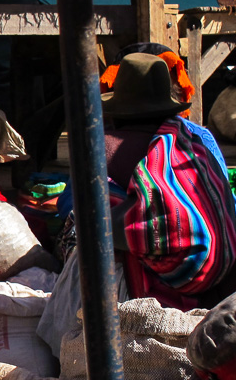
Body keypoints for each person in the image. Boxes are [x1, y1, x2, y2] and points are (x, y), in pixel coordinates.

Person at [101, 52, 236, 310]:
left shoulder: (106, 150)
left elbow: (92, 225)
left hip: (167, 288)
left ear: (116, 112)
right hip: (221, 276)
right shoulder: (195, 139)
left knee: (93, 223)